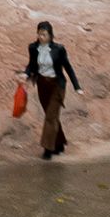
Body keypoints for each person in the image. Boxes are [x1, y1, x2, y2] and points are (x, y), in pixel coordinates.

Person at [16, 20, 82, 159]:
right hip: (42, 84)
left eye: (44, 34)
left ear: (50, 35)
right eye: (39, 34)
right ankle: (59, 144)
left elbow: (68, 68)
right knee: (51, 116)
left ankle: (48, 149)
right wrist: (26, 74)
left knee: (50, 117)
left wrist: (77, 87)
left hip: (57, 85)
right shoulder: (33, 48)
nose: (41, 37)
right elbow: (32, 65)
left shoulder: (59, 49)